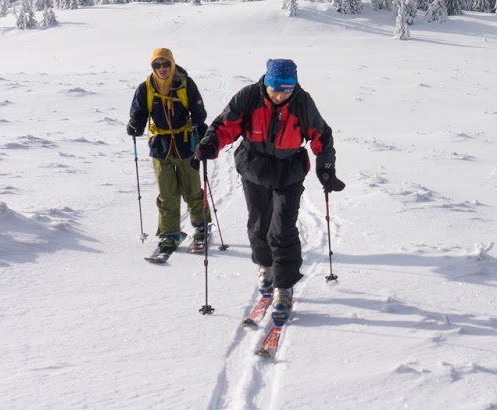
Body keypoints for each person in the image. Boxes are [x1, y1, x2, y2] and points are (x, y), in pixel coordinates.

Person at [193, 58, 344, 324]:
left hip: (290, 172)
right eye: (277, 89)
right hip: (255, 169)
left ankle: (284, 287)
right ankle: (266, 267)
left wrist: (327, 169)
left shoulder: (302, 102)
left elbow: (321, 135)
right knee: (258, 225)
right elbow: (226, 125)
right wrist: (210, 144)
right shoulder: (249, 96)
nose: (281, 95)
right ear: (267, 82)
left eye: (287, 90)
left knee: (282, 228)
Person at [126, 47, 211, 258]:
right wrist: (134, 125)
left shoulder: (185, 83)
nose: (162, 69)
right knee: (167, 193)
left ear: (172, 64)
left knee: (191, 187)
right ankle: (169, 233)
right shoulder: (145, 87)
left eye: (165, 64)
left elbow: (198, 112)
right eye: (157, 65)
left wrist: (202, 131)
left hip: (185, 143)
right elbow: (138, 113)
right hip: (160, 145)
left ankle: (201, 226)